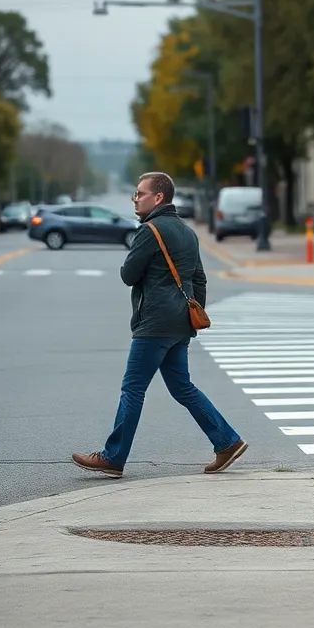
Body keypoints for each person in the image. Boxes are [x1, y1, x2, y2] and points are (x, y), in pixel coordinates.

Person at [72, 172, 247, 478]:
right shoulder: (187, 232)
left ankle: (113, 457)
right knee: (182, 387)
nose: (136, 199)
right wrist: (192, 312)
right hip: (180, 323)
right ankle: (227, 442)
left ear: (159, 197)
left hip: (154, 323)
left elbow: (128, 275)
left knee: (133, 388)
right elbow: (199, 279)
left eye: (140, 193)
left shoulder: (149, 231)